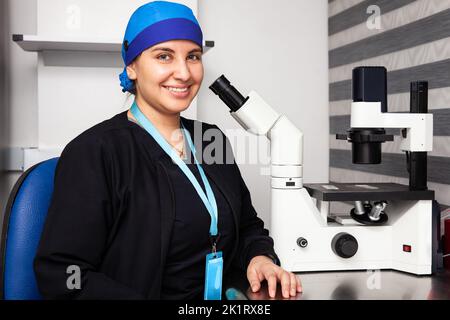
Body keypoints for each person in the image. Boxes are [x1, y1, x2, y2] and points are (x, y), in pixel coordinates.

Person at [34, 0, 302, 300]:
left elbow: (247, 226)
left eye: (193, 56)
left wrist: (260, 258)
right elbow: (63, 273)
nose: (184, 73)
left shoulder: (210, 139)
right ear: (132, 66)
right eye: (164, 56)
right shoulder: (95, 152)